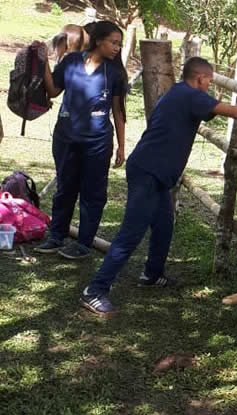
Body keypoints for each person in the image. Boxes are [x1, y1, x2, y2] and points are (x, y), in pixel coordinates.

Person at [78, 57, 237, 316]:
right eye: (209, 80)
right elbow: (232, 112)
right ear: (200, 79)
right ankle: (95, 291)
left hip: (157, 173)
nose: (210, 85)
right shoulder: (191, 96)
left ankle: (152, 275)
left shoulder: (179, 93)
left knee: (164, 224)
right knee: (130, 234)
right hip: (148, 173)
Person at [33, 21, 127, 259]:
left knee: (92, 193)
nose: (117, 48)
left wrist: (122, 146)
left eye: (119, 44)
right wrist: (43, 61)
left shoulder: (114, 73)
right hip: (66, 138)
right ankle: (56, 237)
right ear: (98, 41)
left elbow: (118, 111)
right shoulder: (70, 62)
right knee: (65, 188)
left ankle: (83, 244)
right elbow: (53, 90)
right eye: (113, 42)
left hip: (97, 143)